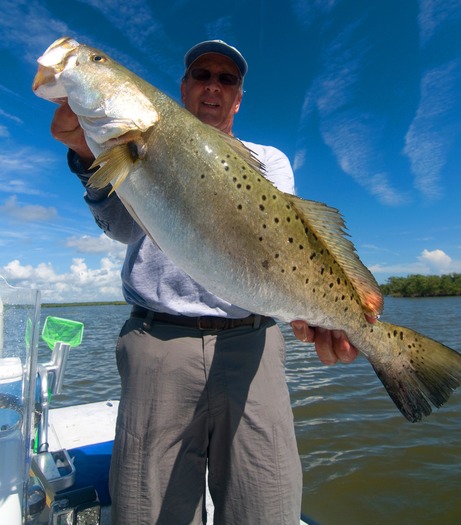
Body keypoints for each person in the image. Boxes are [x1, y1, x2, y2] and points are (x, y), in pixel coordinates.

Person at [51, 40, 363, 525]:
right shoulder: (134, 143)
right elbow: (121, 228)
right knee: (149, 510)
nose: (213, 86)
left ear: (238, 98)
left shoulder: (269, 161)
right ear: (182, 89)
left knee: (266, 507)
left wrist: (321, 308)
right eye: (202, 75)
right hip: (158, 342)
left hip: (252, 345)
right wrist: (84, 153)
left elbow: (285, 249)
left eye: (227, 79)